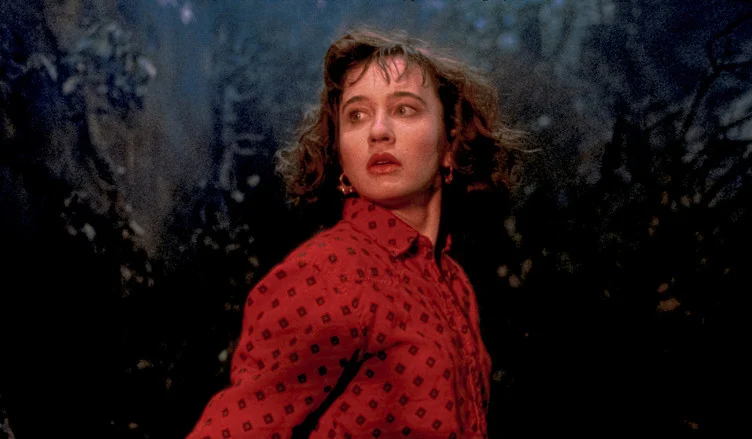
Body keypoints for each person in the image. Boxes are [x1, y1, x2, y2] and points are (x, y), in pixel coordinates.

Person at [186, 27, 523, 439]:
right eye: (357, 115)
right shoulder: (327, 273)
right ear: (341, 154)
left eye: (404, 109)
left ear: (450, 144)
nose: (377, 131)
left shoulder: (453, 282)